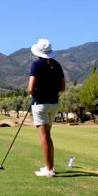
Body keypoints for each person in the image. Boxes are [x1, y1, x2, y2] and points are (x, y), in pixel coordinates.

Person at [28, 39, 65, 177]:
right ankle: (50, 167)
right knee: (48, 136)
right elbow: (62, 88)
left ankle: (49, 170)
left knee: (44, 136)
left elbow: (31, 88)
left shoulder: (36, 65)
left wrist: (36, 92)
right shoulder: (57, 65)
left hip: (40, 104)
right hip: (54, 104)